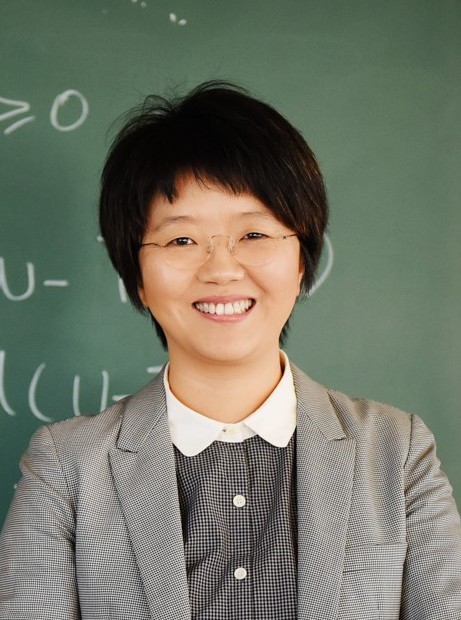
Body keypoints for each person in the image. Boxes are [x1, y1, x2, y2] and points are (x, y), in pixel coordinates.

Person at [0, 81, 460, 620]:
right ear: (138, 278)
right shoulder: (67, 468)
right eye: (181, 240)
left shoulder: (397, 453)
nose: (221, 269)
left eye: (254, 235)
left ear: (302, 261)